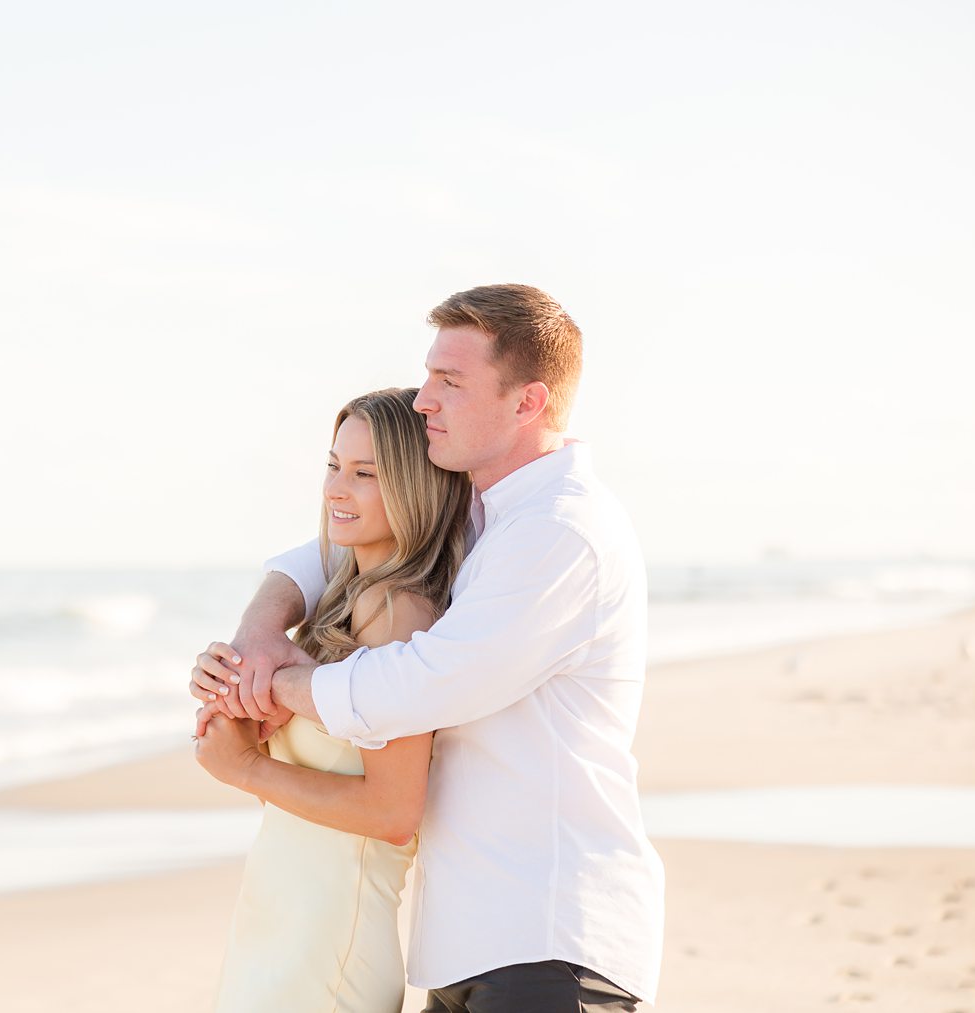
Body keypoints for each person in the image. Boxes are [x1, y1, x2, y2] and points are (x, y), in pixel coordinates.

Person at [191, 284, 664, 1012]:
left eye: (450, 381)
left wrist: (275, 689)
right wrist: (259, 633)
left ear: (527, 402)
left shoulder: (557, 532)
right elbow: (333, 552)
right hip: (472, 940)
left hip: (549, 938)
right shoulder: (485, 513)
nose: (423, 401)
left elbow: (418, 684)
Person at [193, 386, 471, 1013]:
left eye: (365, 473)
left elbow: (393, 811)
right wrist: (235, 686)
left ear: (415, 487)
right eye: (333, 465)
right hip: (280, 919)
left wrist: (247, 769)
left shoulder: (397, 609)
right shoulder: (346, 595)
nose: (335, 489)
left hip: (329, 939)